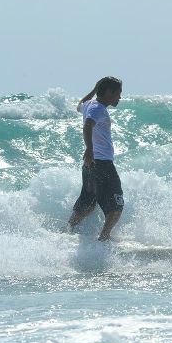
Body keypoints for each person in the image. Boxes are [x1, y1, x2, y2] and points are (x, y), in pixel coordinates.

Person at [66, 76, 124, 241]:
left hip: (91, 164)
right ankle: (103, 239)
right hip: (102, 163)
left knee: (88, 204)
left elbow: (79, 105)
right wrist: (90, 149)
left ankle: (66, 231)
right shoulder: (98, 108)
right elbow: (88, 125)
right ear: (108, 92)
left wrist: (94, 89)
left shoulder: (89, 105)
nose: (119, 97)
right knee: (117, 205)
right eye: (118, 93)